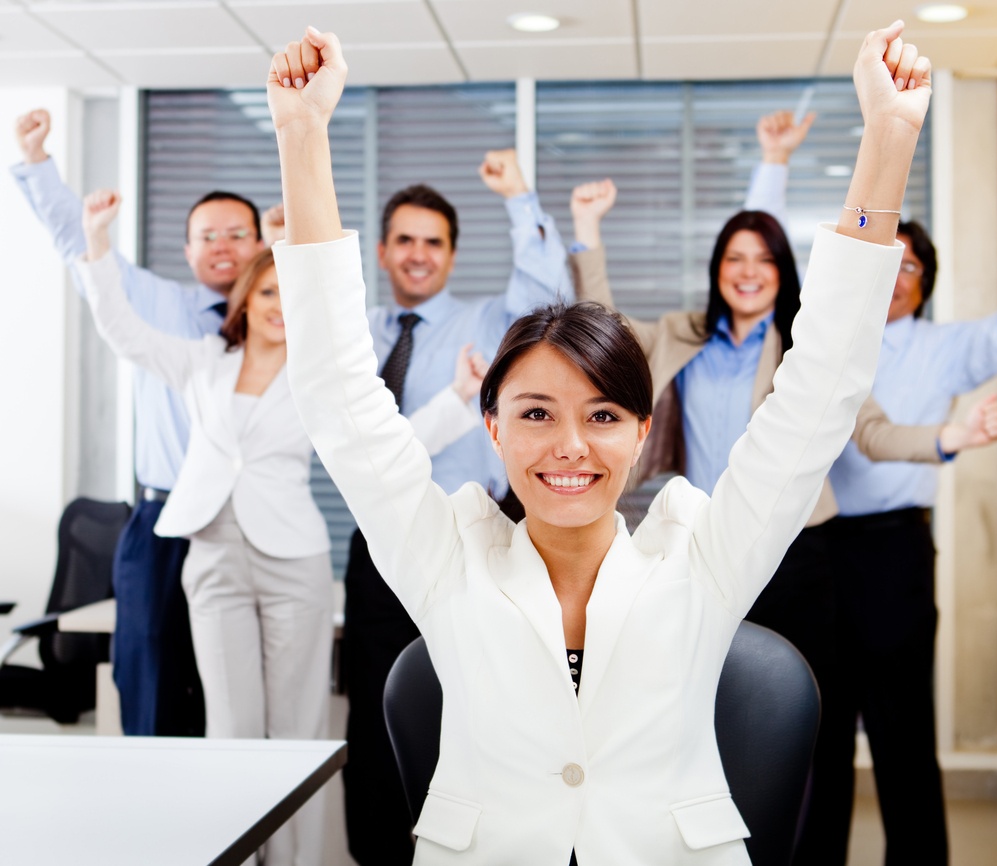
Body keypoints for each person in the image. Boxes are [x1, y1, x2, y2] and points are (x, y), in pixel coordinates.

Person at [267, 20, 929, 865]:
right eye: (537, 413)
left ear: (643, 431)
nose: (569, 445)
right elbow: (337, 392)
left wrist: (889, 136)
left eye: (604, 416)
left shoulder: (705, 558)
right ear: (492, 426)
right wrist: (302, 132)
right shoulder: (445, 558)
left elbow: (823, 380)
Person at [73, 187, 487, 866]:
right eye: (266, 293)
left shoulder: (316, 383)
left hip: (291, 561)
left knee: (294, 732)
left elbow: (393, 442)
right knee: (231, 730)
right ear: (247, 300)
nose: (277, 307)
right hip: (212, 557)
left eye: (289, 297)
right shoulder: (205, 364)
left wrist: (460, 397)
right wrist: (95, 241)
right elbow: (122, 329)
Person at [746, 110, 997, 866]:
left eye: (906, 266)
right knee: (814, 731)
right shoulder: (818, 332)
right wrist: (774, 158)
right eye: (878, 262)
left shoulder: (948, 347)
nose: (889, 276)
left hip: (892, 554)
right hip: (812, 552)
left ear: (924, 283)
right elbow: (764, 256)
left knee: (901, 735)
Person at [11, 109, 275, 735]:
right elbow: (82, 246)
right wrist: (37, 159)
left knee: (236, 698)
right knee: (151, 681)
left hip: (247, 518)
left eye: (237, 233)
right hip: (162, 519)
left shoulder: (283, 321)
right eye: (207, 235)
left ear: (260, 245)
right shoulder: (156, 302)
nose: (222, 246)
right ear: (187, 250)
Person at [338, 151, 570, 860]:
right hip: (379, 545)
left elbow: (544, 285)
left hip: (473, 539)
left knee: (476, 708)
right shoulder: (359, 332)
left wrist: (519, 197)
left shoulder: (487, 322)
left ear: (452, 254)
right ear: (382, 251)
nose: (418, 255)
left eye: (433, 242)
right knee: (376, 715)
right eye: (404, 240)